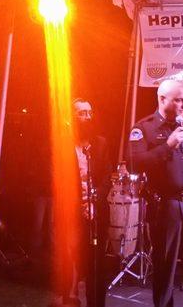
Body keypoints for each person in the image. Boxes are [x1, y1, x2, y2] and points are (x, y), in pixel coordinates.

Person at [127, 79, 183, 307]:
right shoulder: (144, 128)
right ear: (162, 99)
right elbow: (134, 164)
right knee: (165, 269)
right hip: (166, 207)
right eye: (179, 100)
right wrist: (166, 146)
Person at [51, 98, 111, 307]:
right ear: (72, 117)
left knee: (96, 263)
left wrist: (95, 201)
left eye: (89, 112)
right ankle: (70, 298)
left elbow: (106, 178)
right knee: (71, 259)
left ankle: (96, 302)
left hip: (96, 214)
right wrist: (78, 205)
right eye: (81, 113)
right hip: (72, 213)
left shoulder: (100, 143)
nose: (86, 117)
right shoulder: (62, 144)